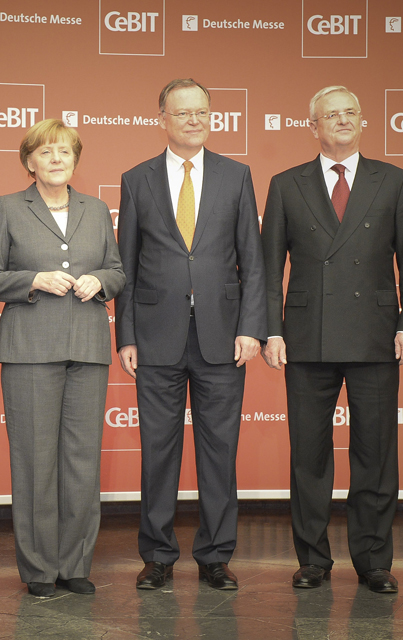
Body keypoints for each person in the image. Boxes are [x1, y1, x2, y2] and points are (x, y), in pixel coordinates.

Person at [261, 85, 403, 594]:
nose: (341, 120)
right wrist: (272, 329)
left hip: (375, 336)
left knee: (375, 452)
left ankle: (373, 560)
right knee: (308, 454)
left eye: (349, 113)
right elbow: (270, 268)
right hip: (307, 338)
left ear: (363, 122)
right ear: (312, 126)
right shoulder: (286, 183)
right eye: (329, 115)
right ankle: (312, 559)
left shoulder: (395, 180)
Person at [115, 79, 268, 591]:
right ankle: (158, 555)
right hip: (155, 338)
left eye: (202, 112)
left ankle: (215, 556)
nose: (194, 121)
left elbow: (254, 260)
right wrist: (126, 335)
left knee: (219, 452)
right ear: (162, 118)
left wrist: (252, 329)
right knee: (158, 451)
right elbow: (127, 266)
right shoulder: (136, 179)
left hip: (224, 339)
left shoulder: (237, 175)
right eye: (183, 113)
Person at [0, 119, 125, 598]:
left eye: (64, 151)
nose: (56, 159)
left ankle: (74, 564)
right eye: (46, 152)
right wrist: (32, 280)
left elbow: (119, 271)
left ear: (76, 159)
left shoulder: (97, 209)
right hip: (30, 351)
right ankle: (39, 569)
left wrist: (101, 279)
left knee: (81, 461)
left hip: (87, 347)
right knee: (36, 462)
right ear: (29, 162)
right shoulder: (8, 208)